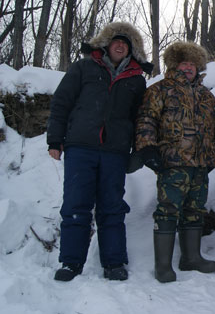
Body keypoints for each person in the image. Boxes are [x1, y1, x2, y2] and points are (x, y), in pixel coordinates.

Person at [47, 22, 152, 282]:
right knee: (75, 204)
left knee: (112, 208)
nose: (120, 45)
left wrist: (137, 150)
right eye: (116, 41)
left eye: (125, 43)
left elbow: (140, 118)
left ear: (131, 50)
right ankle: (71, 262)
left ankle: (114, 263)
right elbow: (62, 102)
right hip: (80, 146)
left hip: (114, 152)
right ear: (106, 44)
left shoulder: (137, 80)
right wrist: (54, 140)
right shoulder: (83, 68)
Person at [135, 41, 215, 283]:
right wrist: (147, 148)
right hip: (172, 163)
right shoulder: (160, 90)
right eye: (184, 63)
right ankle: (163, 265)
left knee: (194, 212)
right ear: (174, 65)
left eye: (193, 64)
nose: (188, 67)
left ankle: (191, 258)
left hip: (201, 164)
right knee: (168, 211)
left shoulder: (205, 95)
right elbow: (147, 119)